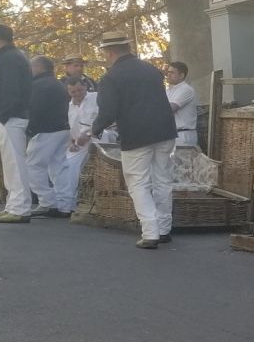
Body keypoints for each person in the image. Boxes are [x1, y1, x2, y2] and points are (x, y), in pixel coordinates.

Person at [92, 32, 177, 248]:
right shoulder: (151, 70)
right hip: (165, 130)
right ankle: (164, 228)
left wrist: (96, 127)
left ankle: (150, 233)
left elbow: (108, 110)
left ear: (110, 52)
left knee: (138, 183)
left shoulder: (112, 77)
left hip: (136, 134)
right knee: (163, 180)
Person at [0, 23, 33, 223]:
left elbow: (10, 91)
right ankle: (13, 205)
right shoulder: (12, 56)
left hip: (9, 118)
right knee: (11, 164)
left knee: (14, 165)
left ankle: (20, 209)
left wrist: (0, 117)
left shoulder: (9, 58)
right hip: (9, 118)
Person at [24, 56, 72, 218]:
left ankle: (47, 202)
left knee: (32, 166)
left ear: (39, 67)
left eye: (31, 66)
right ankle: (65, 204)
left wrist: (30, 129)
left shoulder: (38, 85)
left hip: (45, 130)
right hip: (63, 129)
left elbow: (34, 109)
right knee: (58, 166)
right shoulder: (58, 84)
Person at [56, 76, 98, 215]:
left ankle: (68, 203)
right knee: (67, 165)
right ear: (68, 92)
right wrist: (71, 142)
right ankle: (66, 204)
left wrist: (89, 134)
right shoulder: (69, 106)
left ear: (85, 87)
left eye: (80, 90)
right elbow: (69, 128)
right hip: (79, 143)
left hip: (99, 137)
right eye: (73, 92)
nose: (77, 94)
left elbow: (103, 118)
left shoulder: (96, 97)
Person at [165, 61, 199, 147]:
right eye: (168, 72)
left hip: (184, 135)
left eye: (172, 73)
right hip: (172, 135)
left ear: (181, 75)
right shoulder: (168, 91)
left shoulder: (186, 89)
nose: (168, 75)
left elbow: (170, 109)